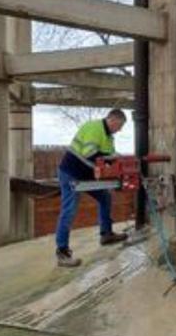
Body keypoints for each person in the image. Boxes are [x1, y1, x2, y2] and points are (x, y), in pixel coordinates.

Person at [54, 109, 129, 267]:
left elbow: (109, 157)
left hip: (85, 176)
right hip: (71, 173)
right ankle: (62, 252)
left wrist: (120, 161)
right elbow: (90, 154)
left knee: (105, 197)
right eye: (120, 125)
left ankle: (106, 234)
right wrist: (110, 161)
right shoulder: (94, 128)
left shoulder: (109, 137)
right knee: (69, 210)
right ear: (112, 120)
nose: (120, 129)